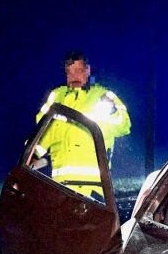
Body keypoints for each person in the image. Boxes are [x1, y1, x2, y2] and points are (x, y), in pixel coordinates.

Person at [33, 50, 131, 200]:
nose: (74, 77)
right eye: (69, 72)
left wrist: (111, 111)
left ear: (88, 70)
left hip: (94, 189)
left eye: (78, 70)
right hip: (61, 188)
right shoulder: (56, 97)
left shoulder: (103, 95)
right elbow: (42, 132)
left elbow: (124, 125)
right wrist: (33, 156)